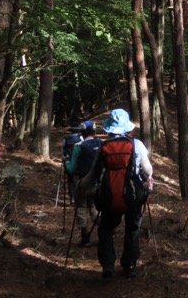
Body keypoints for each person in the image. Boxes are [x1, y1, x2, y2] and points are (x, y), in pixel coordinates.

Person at [83, 108, 153, 279]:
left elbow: (93, 173)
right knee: (133, 229)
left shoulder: (103, 147)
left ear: (109, 129)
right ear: (127, 127)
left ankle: (108, 266)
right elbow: (148, 170)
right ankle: (129, 265)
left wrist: (81, 185)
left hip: (109, 195)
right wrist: (148, 178)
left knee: (106, 228)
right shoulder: (137, 144)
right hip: (132, 196)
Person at [64, 121, 103, 245]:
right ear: (95, 132)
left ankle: (85, 238)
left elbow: (71, 168)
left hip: (82, 182)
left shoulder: (79, 146)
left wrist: (65, 162)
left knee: (81, 207)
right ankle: (104, 234)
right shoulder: (102, 145)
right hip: (98, 183)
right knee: (93, 206)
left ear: (81, 132)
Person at [61, 123, 84, 203]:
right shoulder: (81, 139)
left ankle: (72, 197)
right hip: (78, 161)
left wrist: (64, 160)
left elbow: (63, 152)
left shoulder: (66, 139)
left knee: (70, 180)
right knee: (78, 178)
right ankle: (78, 196)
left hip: (69, 161)